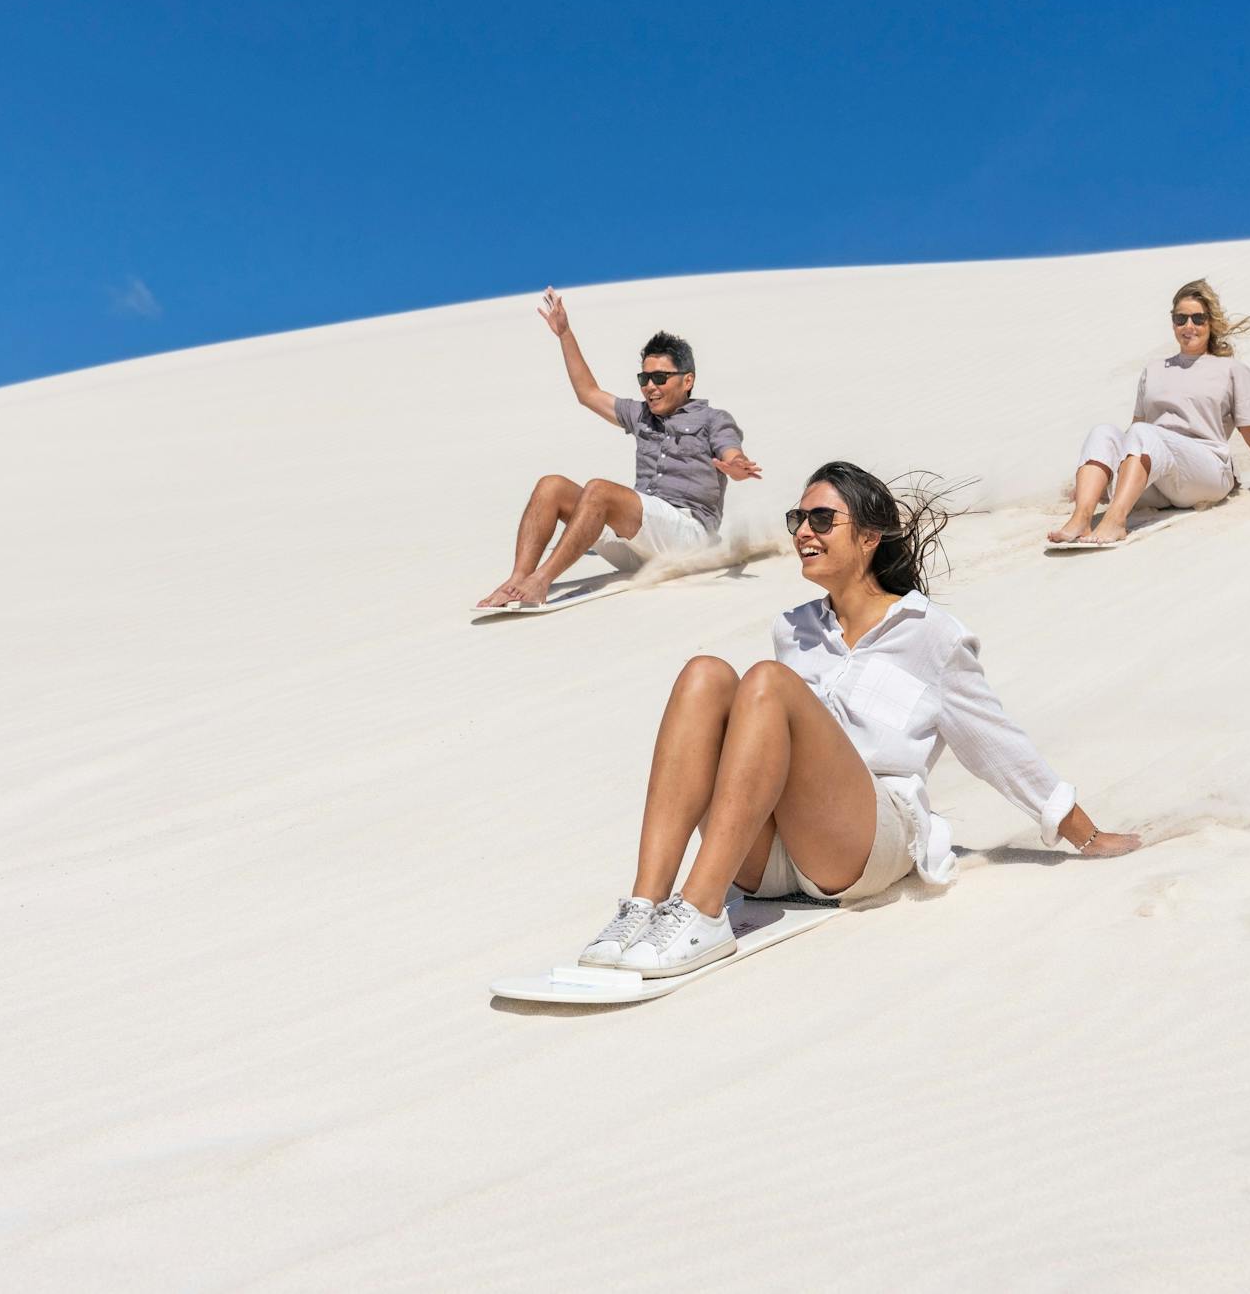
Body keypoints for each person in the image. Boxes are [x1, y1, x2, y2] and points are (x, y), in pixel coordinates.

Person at [578, 461, 1143, 978]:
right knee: (704, 674)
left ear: (870, 537)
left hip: (865, 845)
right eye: (798, 517)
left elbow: (995, 745)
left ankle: (701, 911)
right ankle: (643, 906)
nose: (803, 530)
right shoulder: (792, 627)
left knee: (770, 684)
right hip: (772, 857)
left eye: (822, 518)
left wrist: (1082, 833)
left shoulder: (929, 633)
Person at [478, 289, 762, 608]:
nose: (650, 386)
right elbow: (588, 393)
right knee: (551, 486)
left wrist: (735, 465)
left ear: (687, 380)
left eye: (660, 377)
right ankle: (518, 579)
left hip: (688, 538)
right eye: (644, 377)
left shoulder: (712, 419)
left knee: (599, 490)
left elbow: (730, 452)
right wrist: (565, 333)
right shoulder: (640, 414)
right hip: (639, 543)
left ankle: (540, 581)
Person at [1048, 279, 1250, 544]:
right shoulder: (1154, 370)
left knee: (1145, 434)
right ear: (1172, 322)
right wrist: (1100, 478)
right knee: (1104, 433)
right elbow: (1133, 432)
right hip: (1158, 477)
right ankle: (1081, 519)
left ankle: (1115, 521)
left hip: (1206, 471)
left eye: (1198, 318)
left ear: (1211, 323)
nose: (1189, 326)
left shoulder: (1233, 370)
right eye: (1180, 318)